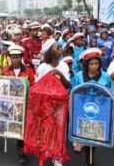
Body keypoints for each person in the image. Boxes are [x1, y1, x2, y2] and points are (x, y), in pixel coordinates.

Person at [72, 48, 113, 166]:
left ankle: (91, 157)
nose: (94, 66)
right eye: (91, 64)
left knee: (95, 135)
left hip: (99, 112)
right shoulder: (79, 76)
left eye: (96, 63)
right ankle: (88, 160)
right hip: (82, 111)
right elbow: (73, 91)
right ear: (86, 64)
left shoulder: (105, 76)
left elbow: (110, 93)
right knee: (84, 133)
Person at [35, 38, 70, 166]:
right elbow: (38, 86)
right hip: (46, 105)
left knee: (59, 129)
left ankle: (58, 156)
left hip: (60, 104)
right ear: (50, 52)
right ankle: (47, 152)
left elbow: (67, 85)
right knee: (47, 130)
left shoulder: (64, 65)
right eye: (57, 48)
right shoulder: (43, 67)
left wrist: (60, 74)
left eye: (60, 47)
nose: (61, 49)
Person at [0, 45, 34, 164]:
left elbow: (33, 87)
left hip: (24, 104)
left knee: (23, 127)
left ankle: (22, 153)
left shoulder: (28, 71)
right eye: (13, 57)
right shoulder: (4, 71)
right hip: (9, 105)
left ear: (21, 58)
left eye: (17, 57)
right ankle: (19, 141)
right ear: (10, 58)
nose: (15, 60)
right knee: (14, 126)